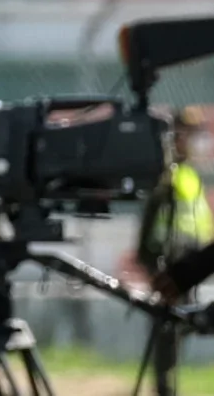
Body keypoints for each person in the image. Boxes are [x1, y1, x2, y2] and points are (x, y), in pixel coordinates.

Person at [123, 106, 214, 395]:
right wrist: (150, 261)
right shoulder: (166, 176)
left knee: (182, 328)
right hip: (172, 261)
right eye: (187, 134)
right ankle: (164, 389)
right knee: (167, 331)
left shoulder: (190, 176)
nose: (193, 141)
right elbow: (150, 222)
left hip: (193, 261)